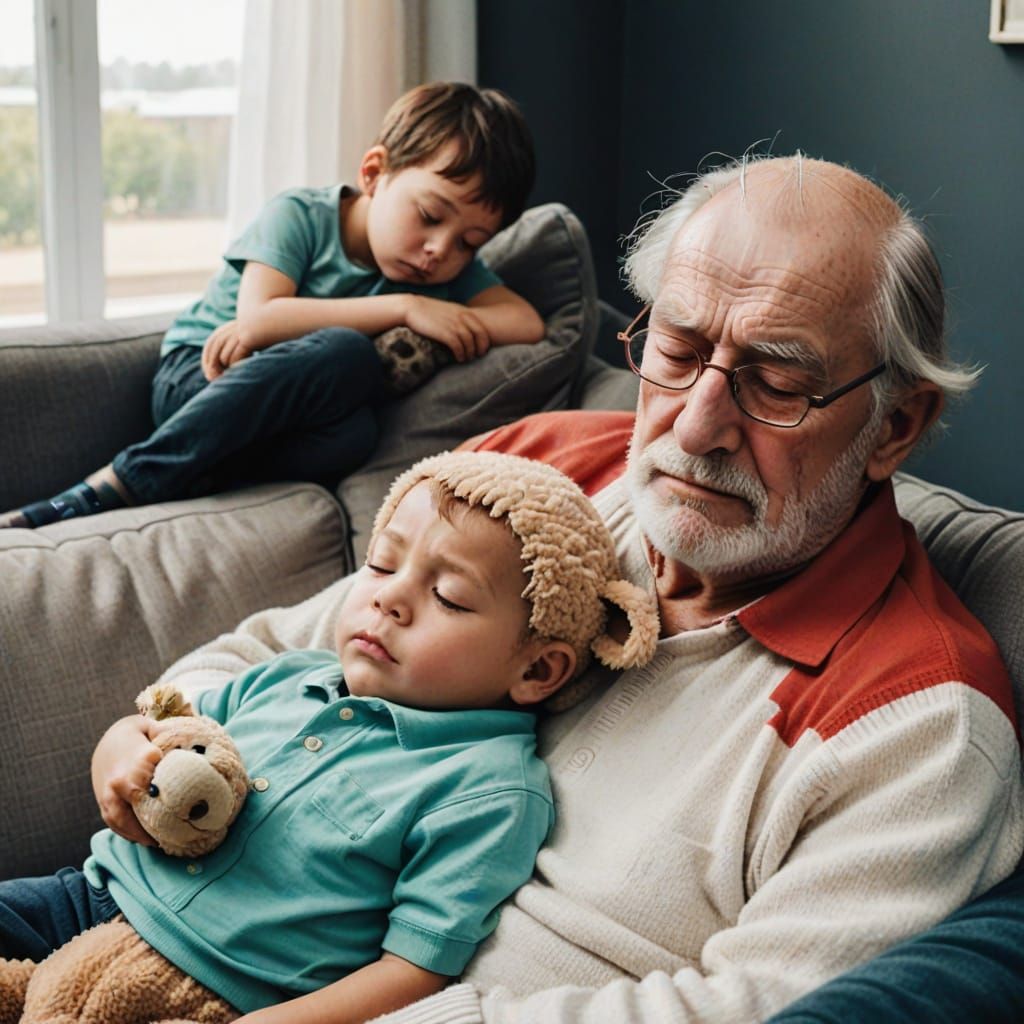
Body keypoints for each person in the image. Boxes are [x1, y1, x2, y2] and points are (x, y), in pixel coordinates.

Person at [155, 153, 1022, 1023]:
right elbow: (261, 655)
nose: (695, 423)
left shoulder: (920, 726)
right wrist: (161, 754)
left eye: (777, 386)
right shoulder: (541, 468)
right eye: (676, 350)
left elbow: (744, 1009)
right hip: (187, 925)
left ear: (895, 426)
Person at [0, 451, 659, 1024]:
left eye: (450, 597)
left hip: (219, 988)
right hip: (88, 895)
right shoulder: (291, 675)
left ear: (537, 668)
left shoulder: (488, 788)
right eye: (380, 565)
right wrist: (117, 749)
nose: (388, 600)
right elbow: (162, 731)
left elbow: (413, 971)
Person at [0, 81, 544, 531]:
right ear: (374, 173)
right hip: (202, 380)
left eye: (471, 242)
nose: (440, 250)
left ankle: (202, 472)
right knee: (347, 354)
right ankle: (123, 481)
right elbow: (260, 319)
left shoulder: (446, 266)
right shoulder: (301, 217)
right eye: (429, 214)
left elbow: (525, 321)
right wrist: (404, 308)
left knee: (355, 433)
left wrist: (451, 313)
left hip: (280, 426)